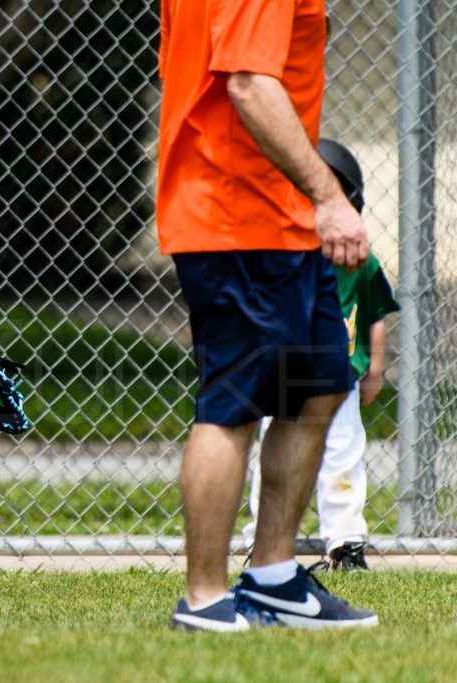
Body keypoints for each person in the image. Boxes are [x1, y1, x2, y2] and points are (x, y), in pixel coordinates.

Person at [157, 0, 378, 630]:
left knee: (318, 387)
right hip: (236, 216)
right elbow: (248, 83)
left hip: (282, 219)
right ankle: (204, 599)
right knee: (235, 402)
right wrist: (329, 196)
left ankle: (274, 577)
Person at [243, 139, 401, 571]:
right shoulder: (278, 256)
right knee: (272, 458)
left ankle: (345, 542)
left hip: (342, 379)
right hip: (284, 375)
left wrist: (375, 369)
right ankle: (264, 542)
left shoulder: (358, 258)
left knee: (343, 455)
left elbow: (375, 315)